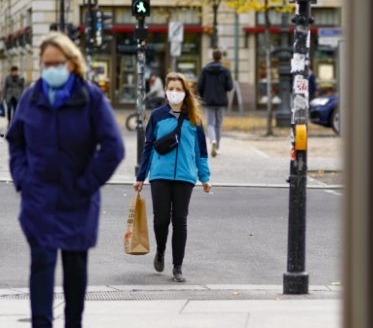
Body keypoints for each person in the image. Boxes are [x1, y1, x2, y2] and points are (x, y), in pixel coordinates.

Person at [5, 32, 125, 327]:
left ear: (71, 63)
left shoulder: (91, 98)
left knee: (75, 269)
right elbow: (16, 141)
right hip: (39, 199)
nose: (50, 70)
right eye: (46, 64)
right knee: (42, 264)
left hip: (77, 200)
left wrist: (86, 184)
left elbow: (114, 148)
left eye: (56, 63)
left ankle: (74, 322)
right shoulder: (31, 97)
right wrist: (22, 178)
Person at [134, 72, 212, 283]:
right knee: (161, 220)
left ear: (185, 92)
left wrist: (205, 177)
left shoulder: (194, 119)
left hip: (185, 176)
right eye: (171, 89)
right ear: (166, 91)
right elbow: (148, 146)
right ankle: (160, 250)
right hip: (160, 174)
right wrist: (141, 176)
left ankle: (177, 266)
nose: (174, 93)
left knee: (180, 220)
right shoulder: (158, 115)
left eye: (179, 89)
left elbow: (201, 151)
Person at [197, 49, 233, 157]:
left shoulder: (205, 70)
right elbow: (229, 86)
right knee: (218, 124)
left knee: (210, 123)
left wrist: (204, 96)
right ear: (221, 58)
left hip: (208, 101)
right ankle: (217, 147)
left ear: (212, 57)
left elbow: (200, 86)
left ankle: (212, 141)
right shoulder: (226, 71)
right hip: (221, 101)